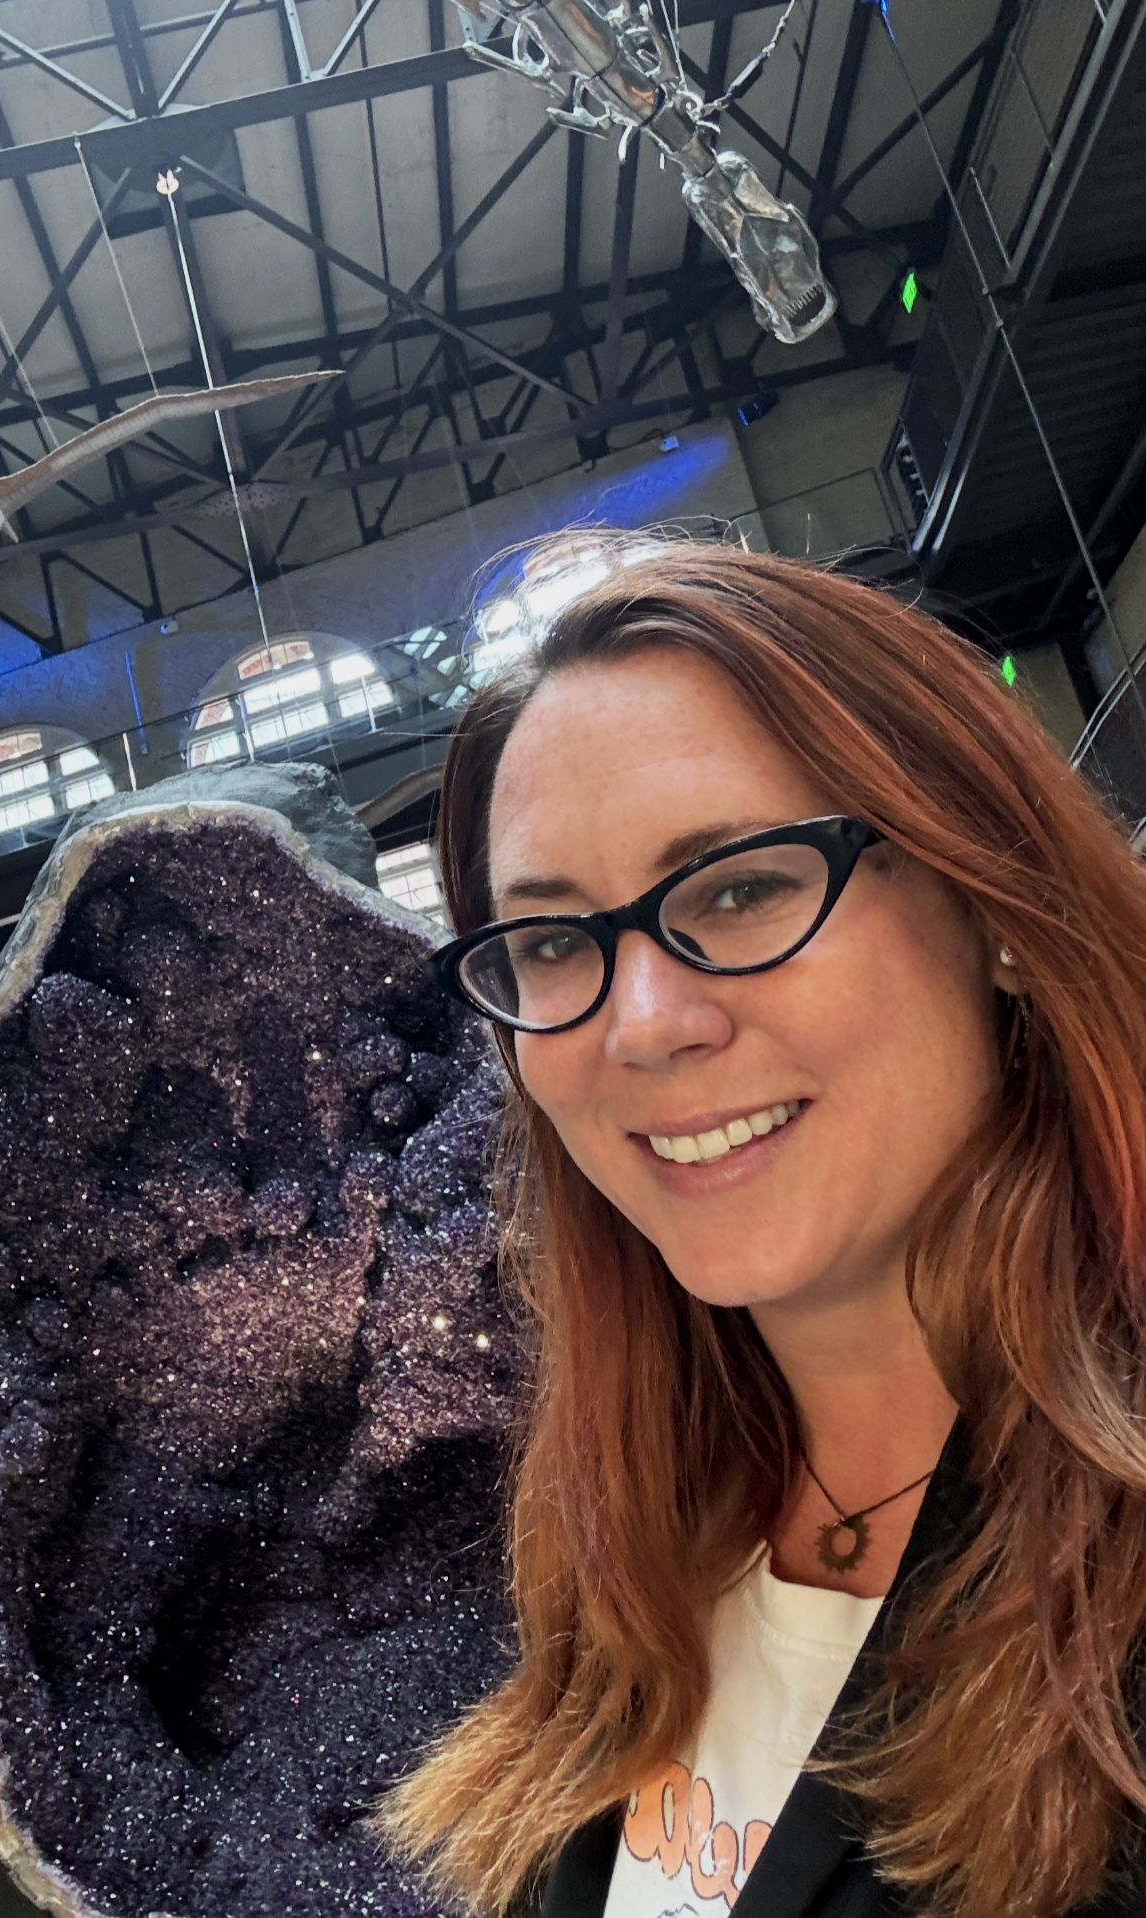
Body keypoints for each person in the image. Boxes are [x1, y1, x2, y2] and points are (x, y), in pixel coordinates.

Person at [381, 540, 1146, 1918]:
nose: (643, 1025)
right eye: (551, 941)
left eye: (738, 888)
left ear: (990, 901)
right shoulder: (625, 1538)